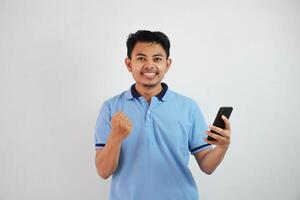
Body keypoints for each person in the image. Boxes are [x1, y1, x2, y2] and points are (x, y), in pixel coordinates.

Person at [94, 30, 231, 200]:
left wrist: (222, 147)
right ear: (129, 64)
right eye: (141, 58)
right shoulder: (111, 108)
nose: (149, 65)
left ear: (167, 64)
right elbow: (103, 171)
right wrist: (115, 137)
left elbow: (207, 166)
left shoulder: (188, 107)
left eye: (157, 59)